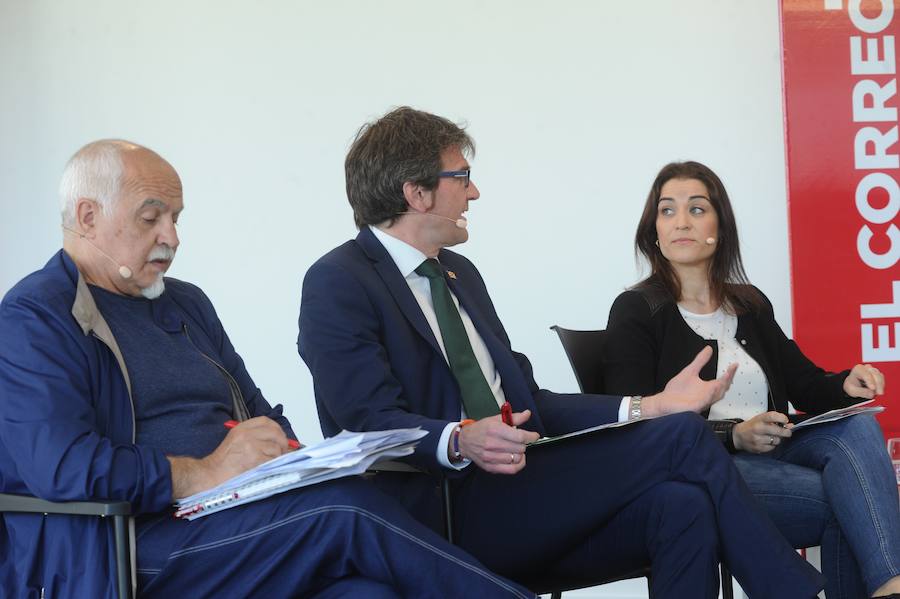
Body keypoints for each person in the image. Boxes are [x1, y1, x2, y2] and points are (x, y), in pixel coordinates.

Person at [298, 106, 828, 598]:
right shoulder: (338, 281)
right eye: (461, 178)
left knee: (681, 505)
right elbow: (366, 422)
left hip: (518, 491)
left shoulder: (459, 276)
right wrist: (459, 439)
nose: (474, 192)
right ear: (416, 193)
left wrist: (650, 406)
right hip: (439, 508)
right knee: (684, 437)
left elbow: (531, 402)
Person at [0, 139, 537, 599]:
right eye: (151, 217)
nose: (172, 236)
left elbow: (257, 411)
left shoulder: (185, 303)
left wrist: (296, 459)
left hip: (232, 521)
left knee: (366, 591)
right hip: (124, 548)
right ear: (88, 217)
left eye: (176, 218)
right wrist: (205, 471)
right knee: (344, 513)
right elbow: (65, 468)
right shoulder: (36, 317)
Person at [602, 160, 900, 598]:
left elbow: (806, 384)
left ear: (720, 227)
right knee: (851, 500)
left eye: (697, 209)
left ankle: (890, 587)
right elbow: (635, 425)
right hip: (705, 469)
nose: (681, 221)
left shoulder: (749, 304)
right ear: (654, 231)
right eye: (667, 211)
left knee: (856, 424)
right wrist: (733, 436)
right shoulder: (636, 310)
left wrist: (844, 385)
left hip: (779, 452)